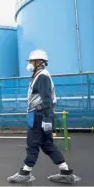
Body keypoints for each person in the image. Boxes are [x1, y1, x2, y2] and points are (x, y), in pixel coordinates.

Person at [7, 49, 81, 184]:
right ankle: (66, 172)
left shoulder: (42, 76)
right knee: (47, 145)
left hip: (39, 115)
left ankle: (25, 173)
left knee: (32, 144)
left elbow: (46, 99)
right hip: (40, 115)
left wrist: (46, 119)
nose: (29, 64)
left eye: (31, 61)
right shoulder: (39, 76)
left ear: (39, 62)